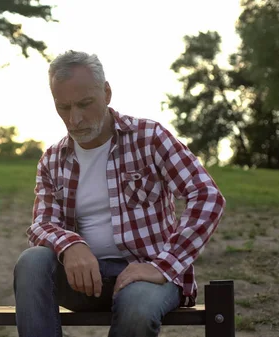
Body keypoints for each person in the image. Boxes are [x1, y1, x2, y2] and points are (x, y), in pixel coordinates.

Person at [13, 50, 226, 337]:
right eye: (63, 108)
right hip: (85, 280)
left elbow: (207, 196)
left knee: (137, 308)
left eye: (85, 104)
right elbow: (42, 224)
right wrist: (71, 245)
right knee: (32, 261)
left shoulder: (149, 137)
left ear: (107, 93)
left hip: (150, 276)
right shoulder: (52, 159)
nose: (74, 120)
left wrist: (163, 267)